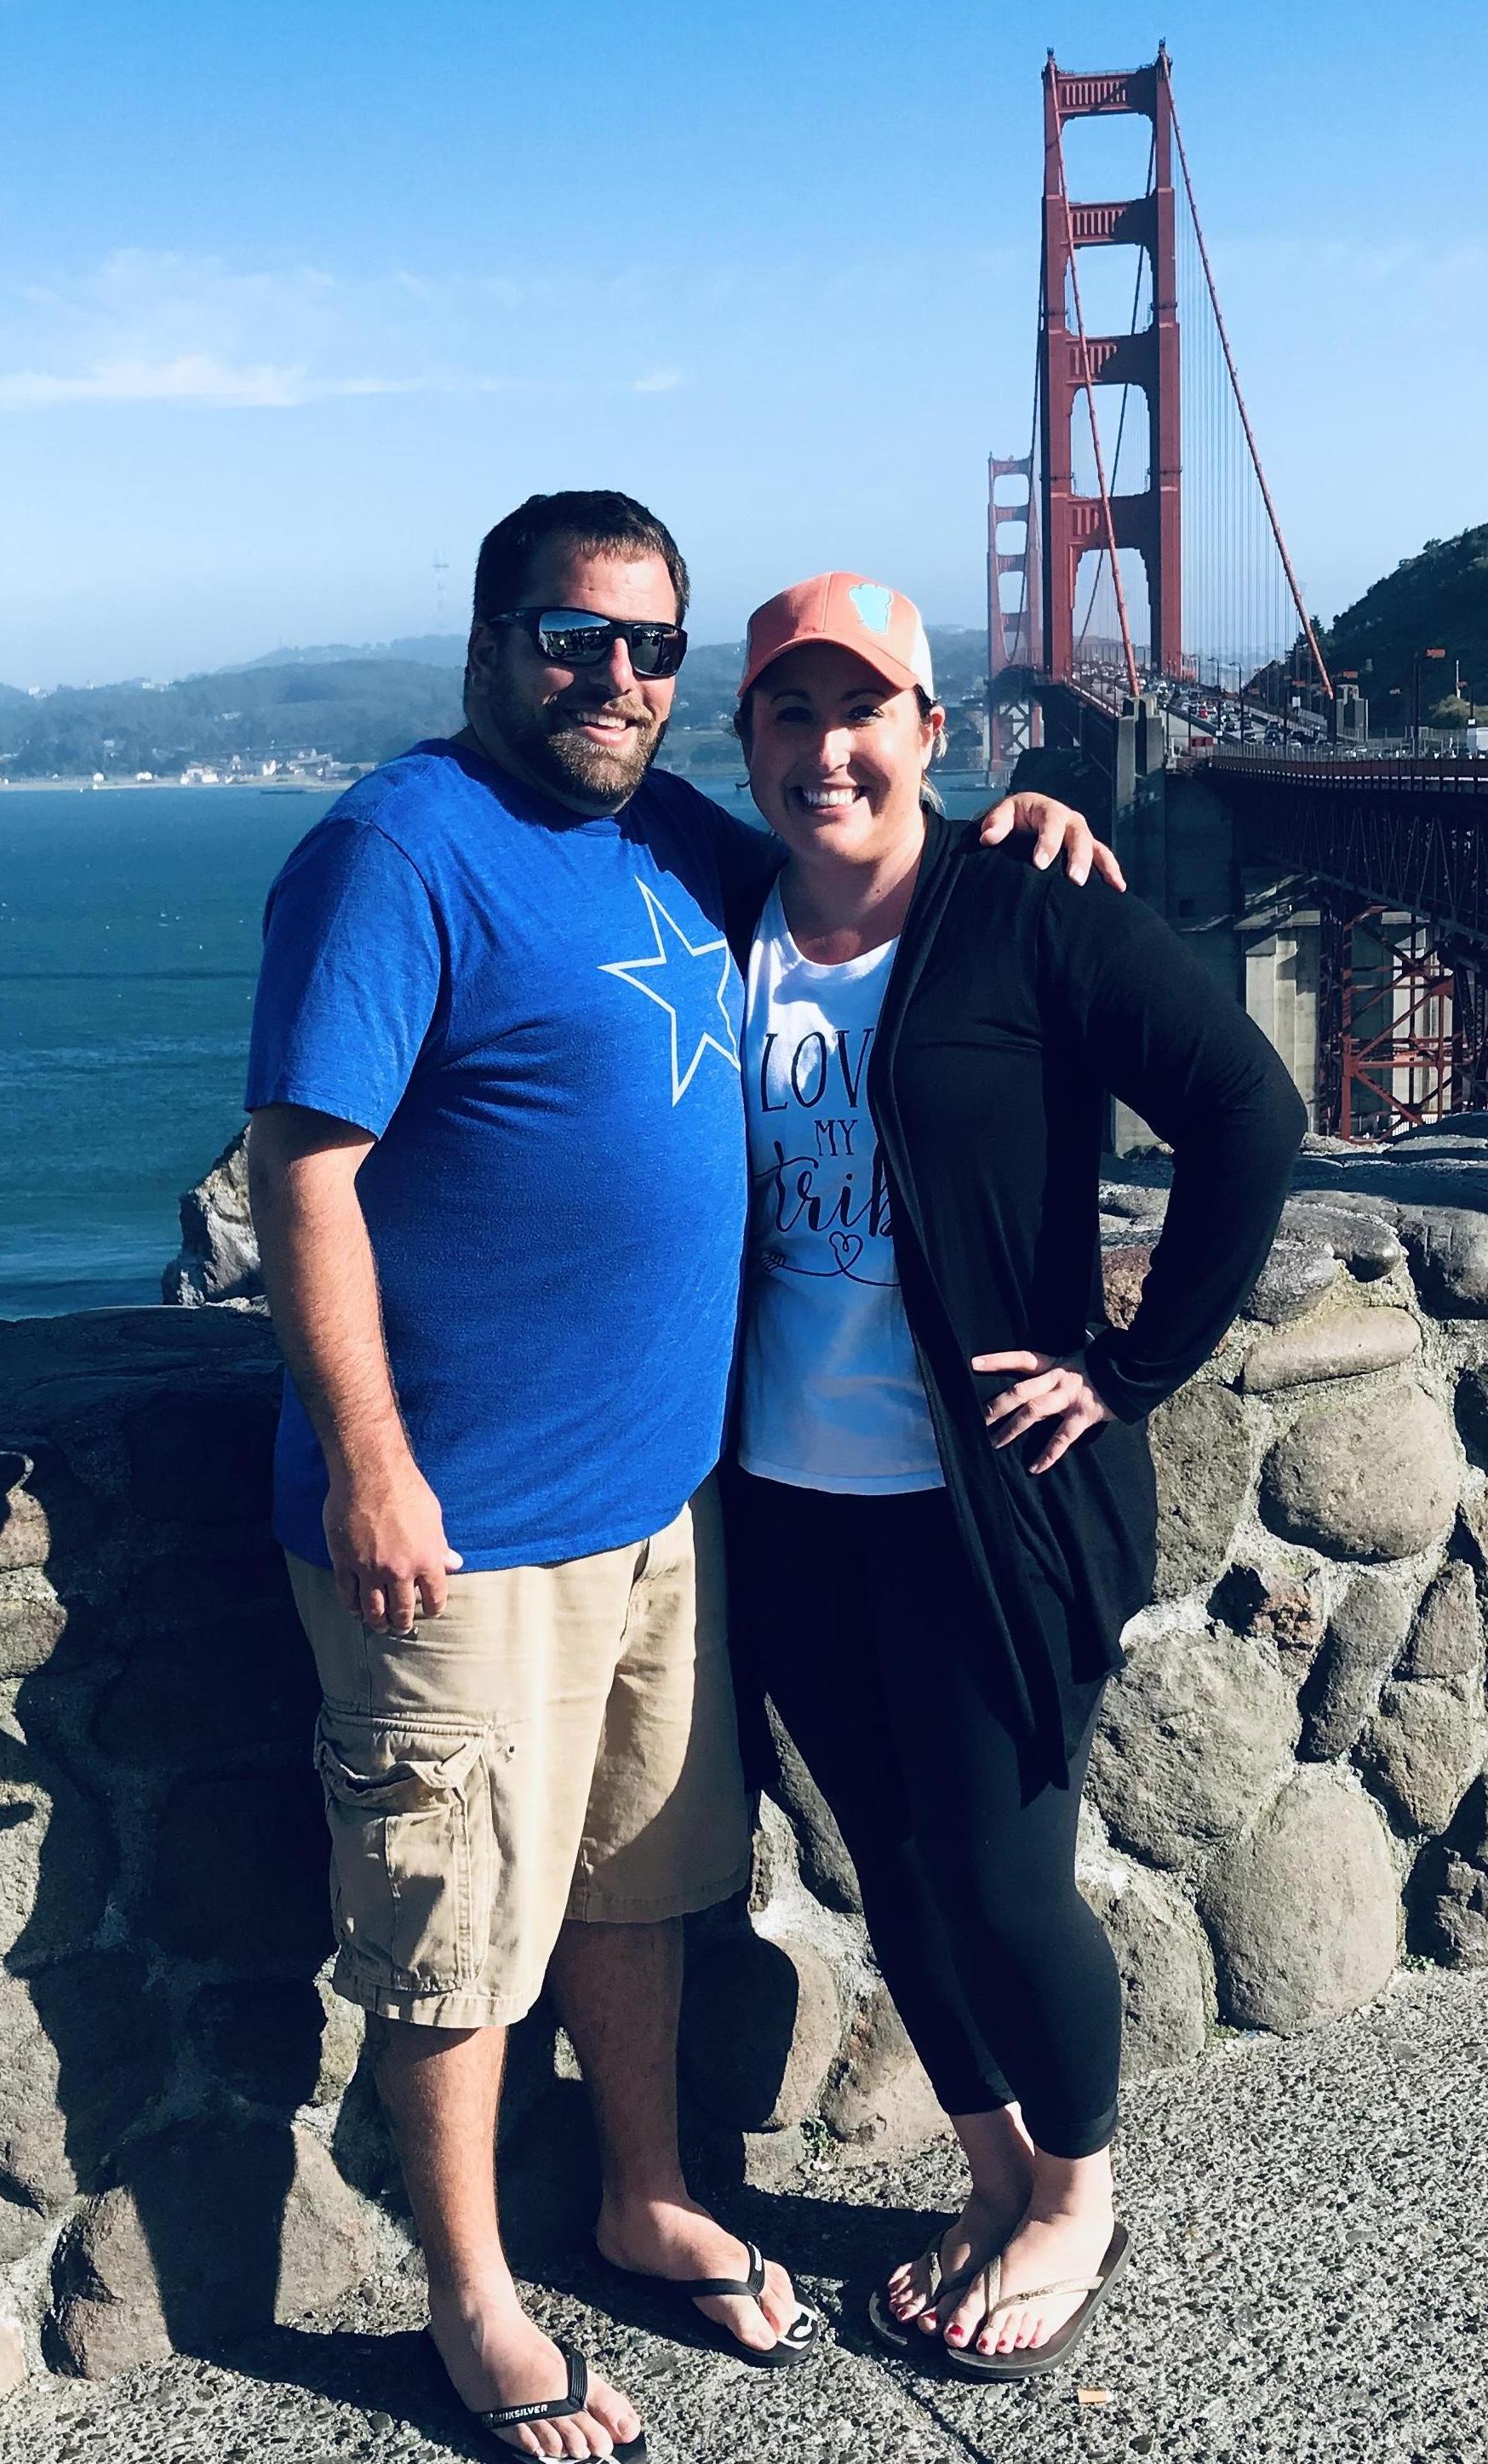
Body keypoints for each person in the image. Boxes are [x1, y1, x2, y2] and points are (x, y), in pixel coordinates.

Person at [244, 493, 1118, 2460]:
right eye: (573, 639)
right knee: (456, 1923)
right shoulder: (396, 852)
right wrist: (372, 1464)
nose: (615, 679)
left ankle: (642, 2194)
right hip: (458, 1525)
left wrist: (1014, 842)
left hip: (667, 1506)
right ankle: (470, 2303)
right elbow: (300, 1175)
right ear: (489, 645)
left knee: (640, 1884)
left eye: (652, 648)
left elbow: (862, 841)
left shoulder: (673, 838)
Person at [717, 572, 1305, 2381]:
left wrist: (1129, 1371)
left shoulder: (1026, 906)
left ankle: (1075, 2196)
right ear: (740, 743)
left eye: (865, 709)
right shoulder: (709, 912)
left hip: (990, 1501)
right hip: (783, 1493)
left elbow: (1246, 1114)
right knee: (890, 1863)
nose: (829, 748)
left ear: (932, 730)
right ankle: (986, 2174)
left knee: (998, 1871)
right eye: (789, 714)